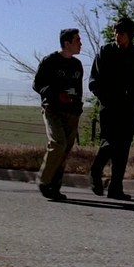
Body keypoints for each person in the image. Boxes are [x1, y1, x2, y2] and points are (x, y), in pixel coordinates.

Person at [87, 17, 134, 200]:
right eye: (115, 32)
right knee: (109, 143)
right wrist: (105, 97)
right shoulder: (106, 51)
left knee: (123, 147)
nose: (117, 36)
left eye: (121, 33)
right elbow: (94, 80)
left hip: (129, 108)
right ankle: (96, 171)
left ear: (129, 35)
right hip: (110, 106)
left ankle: (116, 187)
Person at [32, 28, 84, 201]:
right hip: (53, 109)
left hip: (72, 112)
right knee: (58, 143)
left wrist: (77, 106)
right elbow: (37, 84)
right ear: (67, 43)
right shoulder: (50, 61)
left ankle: (54, 186)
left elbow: (78, 88)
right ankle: (44, 180)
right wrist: (54, 94)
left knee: (65, 149)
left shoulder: (77, 65)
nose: (80, 44)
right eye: (77, 40)